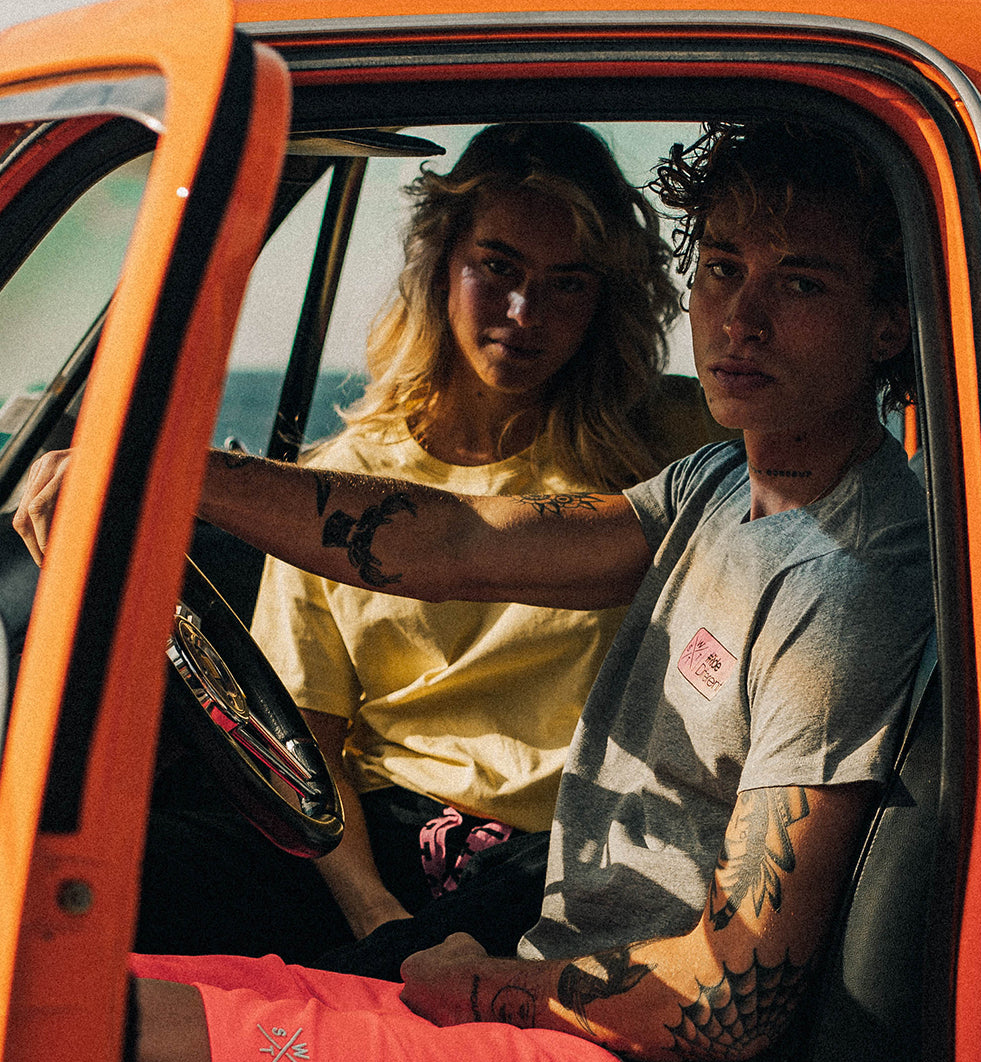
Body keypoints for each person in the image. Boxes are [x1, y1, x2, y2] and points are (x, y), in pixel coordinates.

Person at [15, 119, 933, 1062]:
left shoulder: (842, 581)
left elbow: (727, 998)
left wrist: (484, 983)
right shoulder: (720, 480)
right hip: (560, 1024)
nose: (738, 318)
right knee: (50, 1002)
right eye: (719, 269)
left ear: (886, 323)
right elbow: (456, 539)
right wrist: (166, 470)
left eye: (797, 283)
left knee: (80, 1052)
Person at [141, 121, 722, 965]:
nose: (524, 313)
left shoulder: (669, 442)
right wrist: (376, 915)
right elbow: (310, 744)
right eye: (499, 268)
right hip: (379, 841)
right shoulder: (342, 478)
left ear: (605, 300)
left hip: (571, 846)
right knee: (104, 871)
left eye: (567, 283)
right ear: (442, 261)